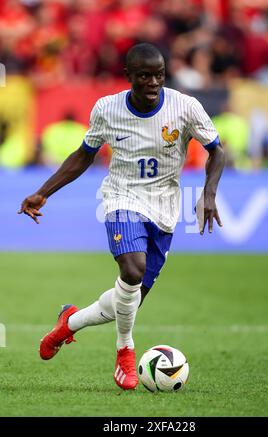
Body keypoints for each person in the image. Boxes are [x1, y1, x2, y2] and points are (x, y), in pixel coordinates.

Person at [18, 43, 225, 391]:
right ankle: (125, 352)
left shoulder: (185, 107)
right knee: (132, 269)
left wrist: (208, 192)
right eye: (144, 76)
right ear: (129, 76)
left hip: (164, 208)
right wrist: (43, 192)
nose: (153, 82)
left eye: (159, 75)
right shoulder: (107, 109)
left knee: (126, 300)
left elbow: (216, 151)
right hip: (121, 197)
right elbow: (84, 155)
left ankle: (69, 323)